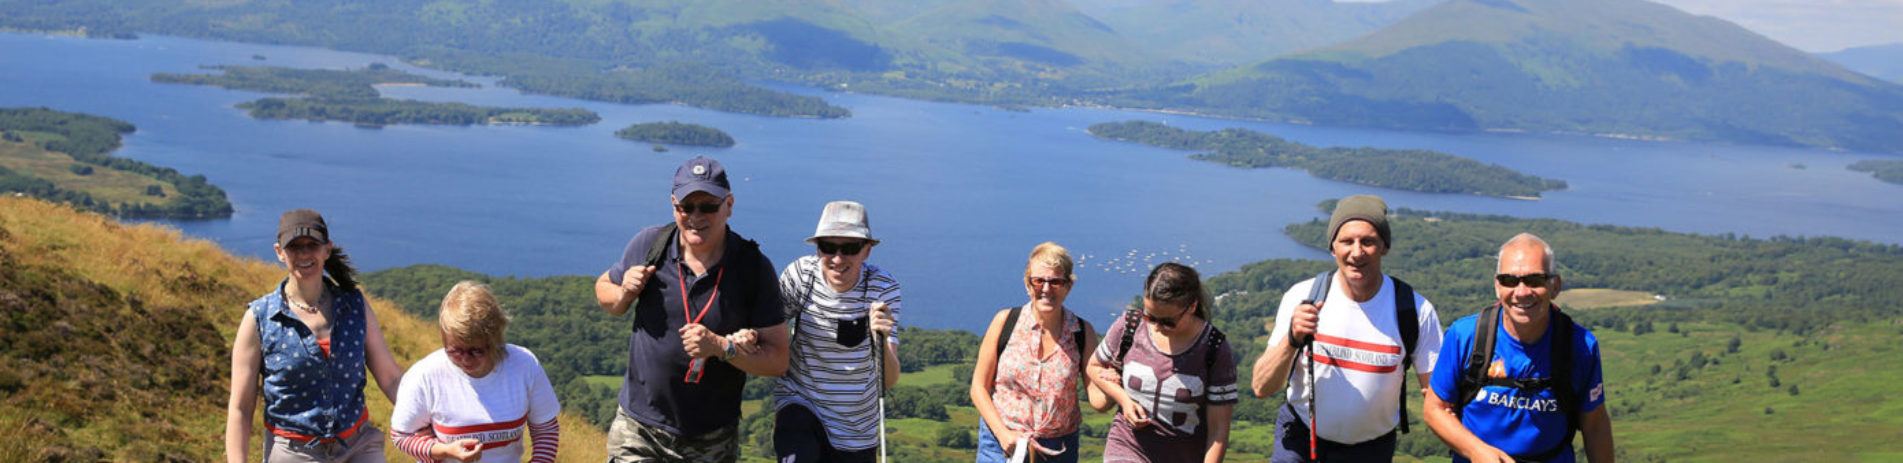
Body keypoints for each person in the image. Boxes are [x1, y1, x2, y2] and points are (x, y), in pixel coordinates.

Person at [593, 156, 789, 462]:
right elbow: (604, 290)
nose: (696, 216)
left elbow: (777, 360)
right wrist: (623, 294)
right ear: (674, 205)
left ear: (729, 205)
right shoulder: (651, 244)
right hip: (639, 429)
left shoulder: (752, 267)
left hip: (711, 439)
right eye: (687, 207)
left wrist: (722, 348)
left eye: (708, 206)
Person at [1251, 194, 1445, 462]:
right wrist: (1292, 339)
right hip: (1300, 442)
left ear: (1384, 247)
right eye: (1346, 241)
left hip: (1371, 450)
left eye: (1368, 241)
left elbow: (1438, 395)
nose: (1356, 252)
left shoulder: (1414, 310)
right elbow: (1261, 387)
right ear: (1332, 248)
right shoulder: (1303, 296)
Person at [225, 209, 404, 462]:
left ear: (327, 250)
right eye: (294, 247)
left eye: (312, 245)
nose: (304, 254)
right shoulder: (260, 318)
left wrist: (432, 422)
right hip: (293, 450)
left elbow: (391, 379)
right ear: (279, 252)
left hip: (359, 444)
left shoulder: (354, 306)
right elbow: (241, 408)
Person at [1423, 234, 1615, 463]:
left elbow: (1594, 425)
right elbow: (1435, 409)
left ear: (1555, 286)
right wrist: (1478, 452)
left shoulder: (1580, 346)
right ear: (1497, 286)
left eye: (1535, 280)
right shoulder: (1465, 336)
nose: (1522, 292)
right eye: (1509, 280)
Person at [771, 200, 903, 463]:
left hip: (855, 427)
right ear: (818, 250)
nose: (838, 259)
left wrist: (883, 339)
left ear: (866, 251)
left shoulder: (882, 288)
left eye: (850, 248)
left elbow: (887, 380)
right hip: (800, 401)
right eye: (828, 247)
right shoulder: (801, 276)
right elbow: (770, 331)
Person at [389, 281, 562, 463]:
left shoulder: (524, 366)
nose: (465, 360)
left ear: (495, 341)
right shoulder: (425, 375)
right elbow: (401, 435)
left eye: (476, 351)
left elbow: (546, 430)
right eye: (455, 351)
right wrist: (444, 450)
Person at [1087, 262, 1238, 463]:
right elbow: (1094, 366)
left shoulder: (1214, 348)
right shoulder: (1130, 325)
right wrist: (1123, 399)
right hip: (1126, 446)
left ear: (1192, 306)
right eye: (1150, 317)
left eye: (1168, 321)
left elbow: (1219, 430)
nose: (1157, 327)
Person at [969, 242, 1103, 463]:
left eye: (1056, 281)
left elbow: (1097, 398)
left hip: (1058, 450)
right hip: (1001, 444)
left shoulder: (1082, 332)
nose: (1046, 289)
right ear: (1027, 284)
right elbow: (978, 387)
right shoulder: (1005, 322)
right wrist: (1003, 435)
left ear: (1068, 286)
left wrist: (1121, 381)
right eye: (1039, 280)